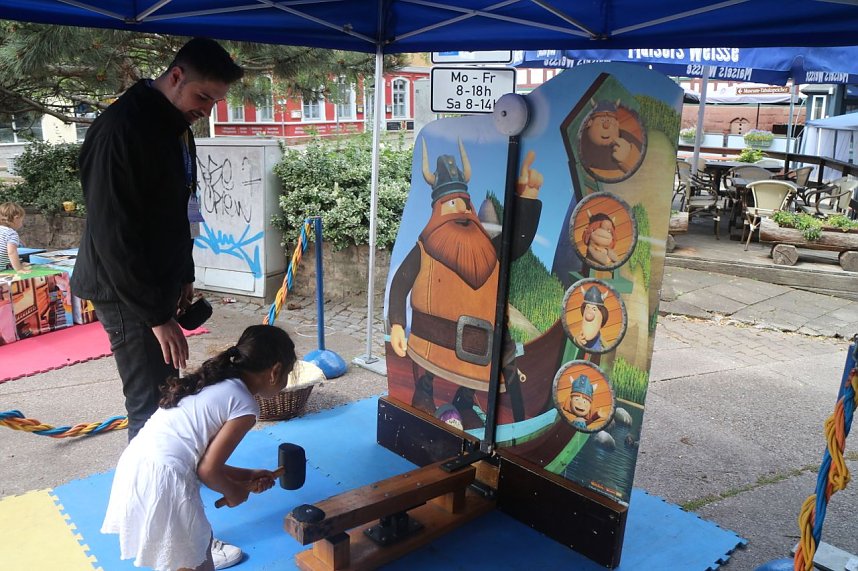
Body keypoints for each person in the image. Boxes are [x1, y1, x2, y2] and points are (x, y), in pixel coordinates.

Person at [71, 37, 244, 568]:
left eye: (215, 101)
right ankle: (175, 544)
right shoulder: (121, 130)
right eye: (203, 97)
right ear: (175, 77)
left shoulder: (173, 126)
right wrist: (156, 316)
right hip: (128, 296)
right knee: (155, 415)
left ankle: (162, 526)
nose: (206, 109)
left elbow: (178, 209)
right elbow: (113, 237)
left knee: (166, 408)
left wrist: (183, 277)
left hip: (156, 290)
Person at [102, 324, 297, 571]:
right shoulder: (246, 406)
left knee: (188, 554)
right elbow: (207, 471)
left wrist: (246, 475)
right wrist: (235, 492)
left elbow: (202, 460)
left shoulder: (219, 381)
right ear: (275, 371)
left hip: (137, 462)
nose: (286, 381)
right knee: (195, 559)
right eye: (288, 373)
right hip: (165, 478)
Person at [0, 202, 28, 271]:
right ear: (16, 218)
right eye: (21, 220)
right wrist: (19, 269)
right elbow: (11, 252)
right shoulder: (11, 234)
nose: (21, 224)